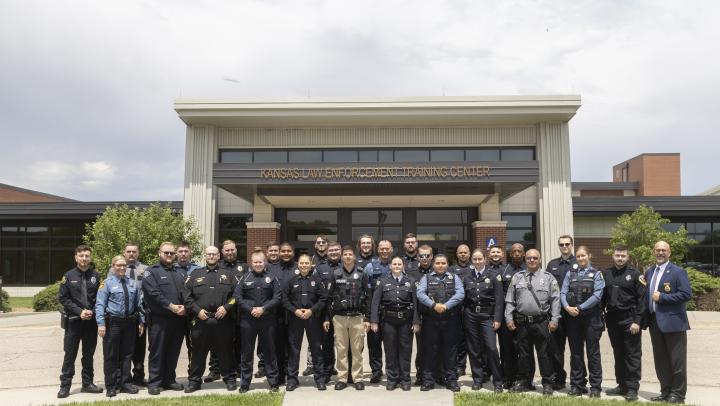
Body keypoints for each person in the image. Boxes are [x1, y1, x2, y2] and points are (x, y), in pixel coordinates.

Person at [504, 248, 560, 396]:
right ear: (525, 259)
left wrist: (555, 319)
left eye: (535, 258)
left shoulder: (548, 278)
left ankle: (547, 383)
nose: (532, 260)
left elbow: (555, 300)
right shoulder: (517, 277)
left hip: (541, 322)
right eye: (529, 258)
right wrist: (509, 318)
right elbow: (510, 299)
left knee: (544, 354)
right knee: (523, 354)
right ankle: (525, 381)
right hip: (522, 323)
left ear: (540, 259)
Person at [183, 246, 238, 393]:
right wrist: (197, 310)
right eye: (209, 254)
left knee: (226, 351)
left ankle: (229, 378)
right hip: (201, 321)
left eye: (214, 254)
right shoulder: (195, 274)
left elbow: (237, 295)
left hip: (223, 321)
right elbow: (186, 297)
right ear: (204, 256)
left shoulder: (229, 275)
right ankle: (194, 381)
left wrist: (227, 307)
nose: (212, 256)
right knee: (198, 353)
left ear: (219, 256)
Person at [645, 241, 691, 404]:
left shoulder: (678, 272)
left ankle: (678, 395)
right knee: (661, 361)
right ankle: (665, 391)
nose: (660, 253)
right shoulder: (650, 271)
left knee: (676, 361)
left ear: (669, 253)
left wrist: (663, 298)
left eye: (663, 250)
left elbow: (686, 294)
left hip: (674, 323)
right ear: (653, 252)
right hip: (654, 322)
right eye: (657, 250)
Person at [57, 245, 103, 398]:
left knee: (88, 354)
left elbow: (100, 298)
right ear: (76, 257)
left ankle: (87, 384)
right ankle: (65, 386)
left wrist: (93, 312)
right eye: (81, 255)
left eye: (87, 256)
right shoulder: (68, 276)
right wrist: (79, 311)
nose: (84, 258)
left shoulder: (96, 276)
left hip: (91, 322)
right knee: (70, 355)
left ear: (90, 258)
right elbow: (63, 298)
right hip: (74, 322)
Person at [96, 255, 145, 397]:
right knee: (111, 355)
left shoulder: (132, 283)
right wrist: (101, 323)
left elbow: (138, 305)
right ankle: (111, 385)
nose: (122, 268)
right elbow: (100, 305)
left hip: (130, 323)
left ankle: (125, 383)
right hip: (113, 323)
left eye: (124, 265)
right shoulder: (107, 283)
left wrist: (141, 321)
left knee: (127, 354)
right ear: (113, 267)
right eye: (119, 265)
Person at [142, 242, 187, 395]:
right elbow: (153, 294)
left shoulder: (180, 272)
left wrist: (185, 306)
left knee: (173, 350)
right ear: (159, 253)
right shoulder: (151, 272)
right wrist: (171, 306)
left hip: (178, 319)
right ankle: (155, 382)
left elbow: (187, 292)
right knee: (157, 351)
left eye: (171, 253)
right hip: (159, 320)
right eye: (166, 253)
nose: (169, 255)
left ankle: (169, 379)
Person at [370, 256, 420, 391]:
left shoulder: (411, 281)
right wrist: (374, 321)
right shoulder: (382, 281)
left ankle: (405, 379)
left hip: (406, 321)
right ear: (391, 266)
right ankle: (392, 379)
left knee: (405, 351)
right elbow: (375, 302)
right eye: (394, 264)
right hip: (388, 322)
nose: (397, 266)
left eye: (399, 264)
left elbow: (415, 303)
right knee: (390, 351)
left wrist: (416, 321)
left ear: (403, 266)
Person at [602, 245, 646, 401]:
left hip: (630, 320)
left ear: (628, 257)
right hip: (613, 320)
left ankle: (632, 388)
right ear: (613, 256)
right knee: (618, 353)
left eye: (623, 256)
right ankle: (622, 385)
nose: (620, 258)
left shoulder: (635, 275)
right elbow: (603, 299)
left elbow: (642, 300)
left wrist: (637, 321)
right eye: (617, 255)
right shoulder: (606, 273)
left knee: (632, 355)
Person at [324, 245, 370, 391]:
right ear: (342, 257)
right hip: (339, 317)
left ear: (354, 257)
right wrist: (327, 318)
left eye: (350, 254)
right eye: (345, 254)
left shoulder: (362, 273)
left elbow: (368, 296)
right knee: (341, 349)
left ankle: (358, 378)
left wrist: (368, 318)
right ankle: (342, 378)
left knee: (357, 350)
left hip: (357, 317)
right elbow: (329, 297)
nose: (348, 257)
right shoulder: (335, 273)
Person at [560, 246, 605, 397]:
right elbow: (563, 292)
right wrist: (566, 307)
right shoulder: (570, 273)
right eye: (578, 256)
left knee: (593, 353)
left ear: (589, 255)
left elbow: (597, 295)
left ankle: (595, 388)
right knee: (576, 353)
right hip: (573, 318)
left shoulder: (597, 274)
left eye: (583, 256)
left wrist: (579, 307)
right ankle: (577, 385)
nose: (580, 259)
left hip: (591, 317)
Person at [235, 250, 282, 392]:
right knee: (247, 352)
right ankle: (245, 383)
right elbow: (237, 297)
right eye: (255, 262)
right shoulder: (245, 277)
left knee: (269, 351)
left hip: (267, 319)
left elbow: (277, 297)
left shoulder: (272, 277)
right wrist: (251, 309)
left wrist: (263, 308)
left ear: (264, 262)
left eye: (260, 262)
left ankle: (273, 382)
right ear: (251, 262)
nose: (258, 264)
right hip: (248, 320)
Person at [416, 254, 465, 392]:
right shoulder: (425, 278)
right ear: (433, 264)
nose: (440, 265)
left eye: (443, 263)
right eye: (438, 263)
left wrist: (446, 306)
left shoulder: (455, 278)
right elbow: (420, 293)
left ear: (447, 264)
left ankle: (451, 380)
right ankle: (428, 380)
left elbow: (460, 294)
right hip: (431, 320)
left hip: (450, 319)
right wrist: (433, 305)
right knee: (430, 350)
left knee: (450, 351)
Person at [461, 248, 504, 392]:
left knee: (491, 348)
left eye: (480, 259)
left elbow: (499, 299)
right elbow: (464, 299)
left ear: (485, 260)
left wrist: (497, 318)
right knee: (474, 349)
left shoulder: (493, 276)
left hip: (487, 316)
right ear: (471, 261)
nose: (478, 261)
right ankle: (477, 379)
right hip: (471, 316)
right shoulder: (467, 276)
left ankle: (497, 381)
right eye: (475, 259)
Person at [282, 254, 327, 391]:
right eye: (301, 263)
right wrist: (294, 311)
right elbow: (284, 299)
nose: (304, 265)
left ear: (310, 265)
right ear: (298, 264)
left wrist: (311, 311)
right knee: (294, 350)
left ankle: (319, 379)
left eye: (306, 263)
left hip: (312, 319)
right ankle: (292, 379)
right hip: (296, 319)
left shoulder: (317, 280)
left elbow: (323, 298)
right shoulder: (291, 280)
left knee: (315, 349)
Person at [545, 235, 576, 390]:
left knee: (576, 349)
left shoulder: (579, 263)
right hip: (557, 314)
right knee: (556, 349)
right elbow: (546, 288)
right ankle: (559, 378)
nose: (564, 247)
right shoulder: (552, 264)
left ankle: (578, 381)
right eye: (561, 244)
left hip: (574, 314)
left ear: (571, 245)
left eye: (567, 244)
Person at [497, 243, 526, 389]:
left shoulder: (529, 269)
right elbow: (501, 294)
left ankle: (524, 379)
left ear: (523, 253)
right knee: (507, 349)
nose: (516, 253)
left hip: (524, 316)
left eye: (519, 251)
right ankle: (508, 378)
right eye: (513, 251)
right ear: (510, 254)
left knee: (523, 349)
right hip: (507, 316)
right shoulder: (504, 270)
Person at [363, 238, 392, 383]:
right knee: (374, 344)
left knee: (391, 344)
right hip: (375, 311)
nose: (385, 251)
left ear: (391, 250)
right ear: (378, 249)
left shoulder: (397, 265)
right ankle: (376, 371)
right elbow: (366, 292)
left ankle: (392, 372)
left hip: (391, 312)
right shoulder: (370, 267)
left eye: (387, 248)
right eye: (382, 248)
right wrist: (367, 317)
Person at [120, 243, 149, 387]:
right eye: (128, 251)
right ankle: (124, 378)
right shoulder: (116, 268)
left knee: (139, 347)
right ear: (124, 253)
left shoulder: (145, 269)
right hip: (124, 315)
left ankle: (139, 376)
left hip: (141, 314)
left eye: (134, 251)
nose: (131, 254)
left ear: (138, 253)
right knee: (125, 348)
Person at [218, 239, 246, 381]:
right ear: (222, 252)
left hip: (240, 312)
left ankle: (240, 369)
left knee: (240, 342)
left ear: (236, 250)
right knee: (222, 342)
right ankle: (217, 370)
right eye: (227, 250)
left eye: (232, 249)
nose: (230, 252)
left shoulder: (244, 267)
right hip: (222, 312)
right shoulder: (217, 267)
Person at [315, 242, 342, 381]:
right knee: (326, 342)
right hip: (325, 311)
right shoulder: (320, 268)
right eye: (331, 250)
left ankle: (346, 370)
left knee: (345, 342)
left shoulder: (346, 265)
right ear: (327, 251)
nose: (334, 252)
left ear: (341, 251)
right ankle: (328, 370)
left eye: (336, 250)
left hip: (343, 310)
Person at [407, 243, 433, 384]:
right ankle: (420, 374)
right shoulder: (412, 275)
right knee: (422, 347)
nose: (424, 258)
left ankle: (436, 374)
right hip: (420, 316)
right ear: (417, 257)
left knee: (436, 346)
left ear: (431, 256)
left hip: (435, 316)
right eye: (421, 256)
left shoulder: (436, 272)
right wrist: (415, 319)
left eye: (427, 256)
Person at [175, 241, 201, 380]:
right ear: (176, 253)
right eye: (180, 251)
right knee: (173, 346)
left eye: (186, 251)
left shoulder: (198, 270)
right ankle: (169, 376)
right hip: (175, 314)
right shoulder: (171, 269)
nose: (183, 254)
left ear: (190, 252)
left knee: (194, 345)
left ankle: (193, 374)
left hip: (192, 314)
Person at [452, 243, 473, 377]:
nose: (463, 254)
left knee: (472, 340)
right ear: (457, 254)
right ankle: (459, 366)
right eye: (460, 252)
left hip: (470, 309)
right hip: (456, 309)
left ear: (469, 254)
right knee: (457, 339)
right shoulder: (451, 270)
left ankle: (480, 368)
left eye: (465, 252)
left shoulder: (474, 268)